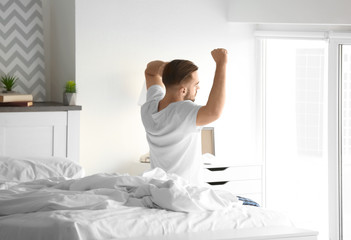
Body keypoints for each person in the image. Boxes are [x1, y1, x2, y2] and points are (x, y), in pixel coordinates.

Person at [141, 48, 227, 185]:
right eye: (196, 85)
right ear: (183, 90)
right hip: (185, 190)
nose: (198, 88)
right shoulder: (183, 112)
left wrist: (167, 68)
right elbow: (214, 112)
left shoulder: (149, 108)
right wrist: (221, 64)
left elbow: (150, 71)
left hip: (158, 188)